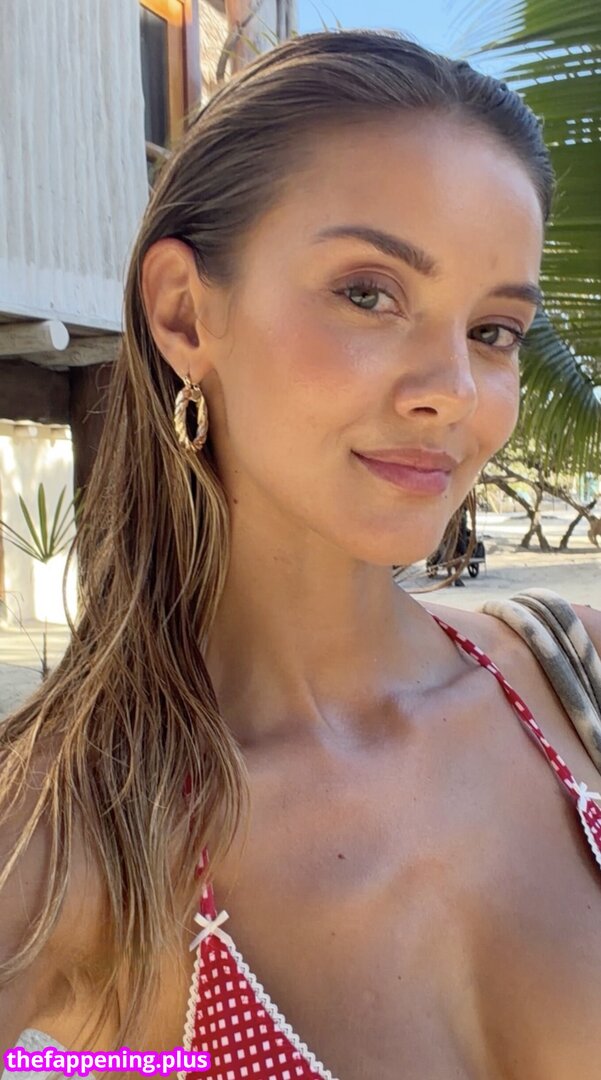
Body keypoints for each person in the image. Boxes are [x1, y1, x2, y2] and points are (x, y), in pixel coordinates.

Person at [1, 29, 600, 1080]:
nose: (452, 390)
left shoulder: (577, 678)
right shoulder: (69, 830)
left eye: (493, 331)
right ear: (186, 314)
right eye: (368, 293)